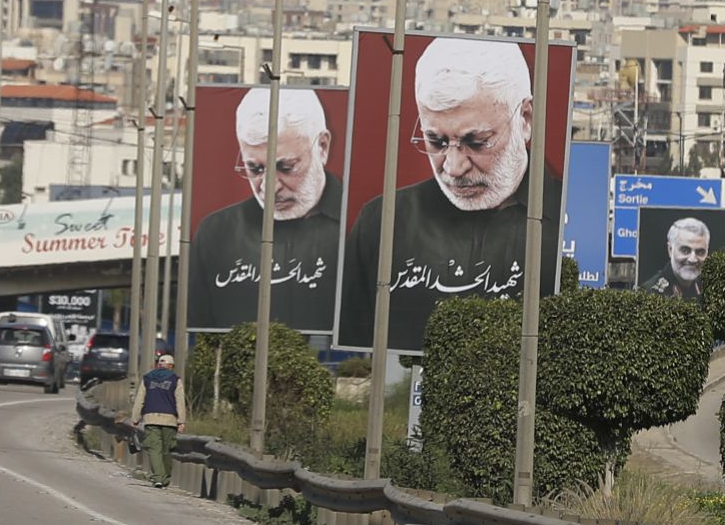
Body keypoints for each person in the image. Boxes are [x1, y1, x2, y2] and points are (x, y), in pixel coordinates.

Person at [339, 38, 562, 352]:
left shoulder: (567, 218)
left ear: (525, 119)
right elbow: (356, 347)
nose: (454, 168)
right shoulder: (383, 222)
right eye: (437, 142)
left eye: (477, 142)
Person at [187, 87, 344, 333]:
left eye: (286, 167)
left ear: (322, 147)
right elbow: (198, 326)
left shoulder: (364, 225)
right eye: (256, 169)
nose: (270, 188)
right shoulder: (217, 233)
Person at [129, 353, 186, 488]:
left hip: (151, 418)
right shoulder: (175, 380)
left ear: (158, 364)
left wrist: (135, 418)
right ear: (171, 366)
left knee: (154, 449)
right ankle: (164, 477)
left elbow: (139, 400)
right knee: (167, 450)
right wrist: (181, 421)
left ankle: (158, 478)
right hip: (169, 420)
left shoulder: (147, 378)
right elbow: (180, 402)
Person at [643, 217, 710, 302]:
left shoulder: (710, 290)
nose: (692, 259)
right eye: (685, 250)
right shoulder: (650, 294)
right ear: (670, 250)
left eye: (700, 252)